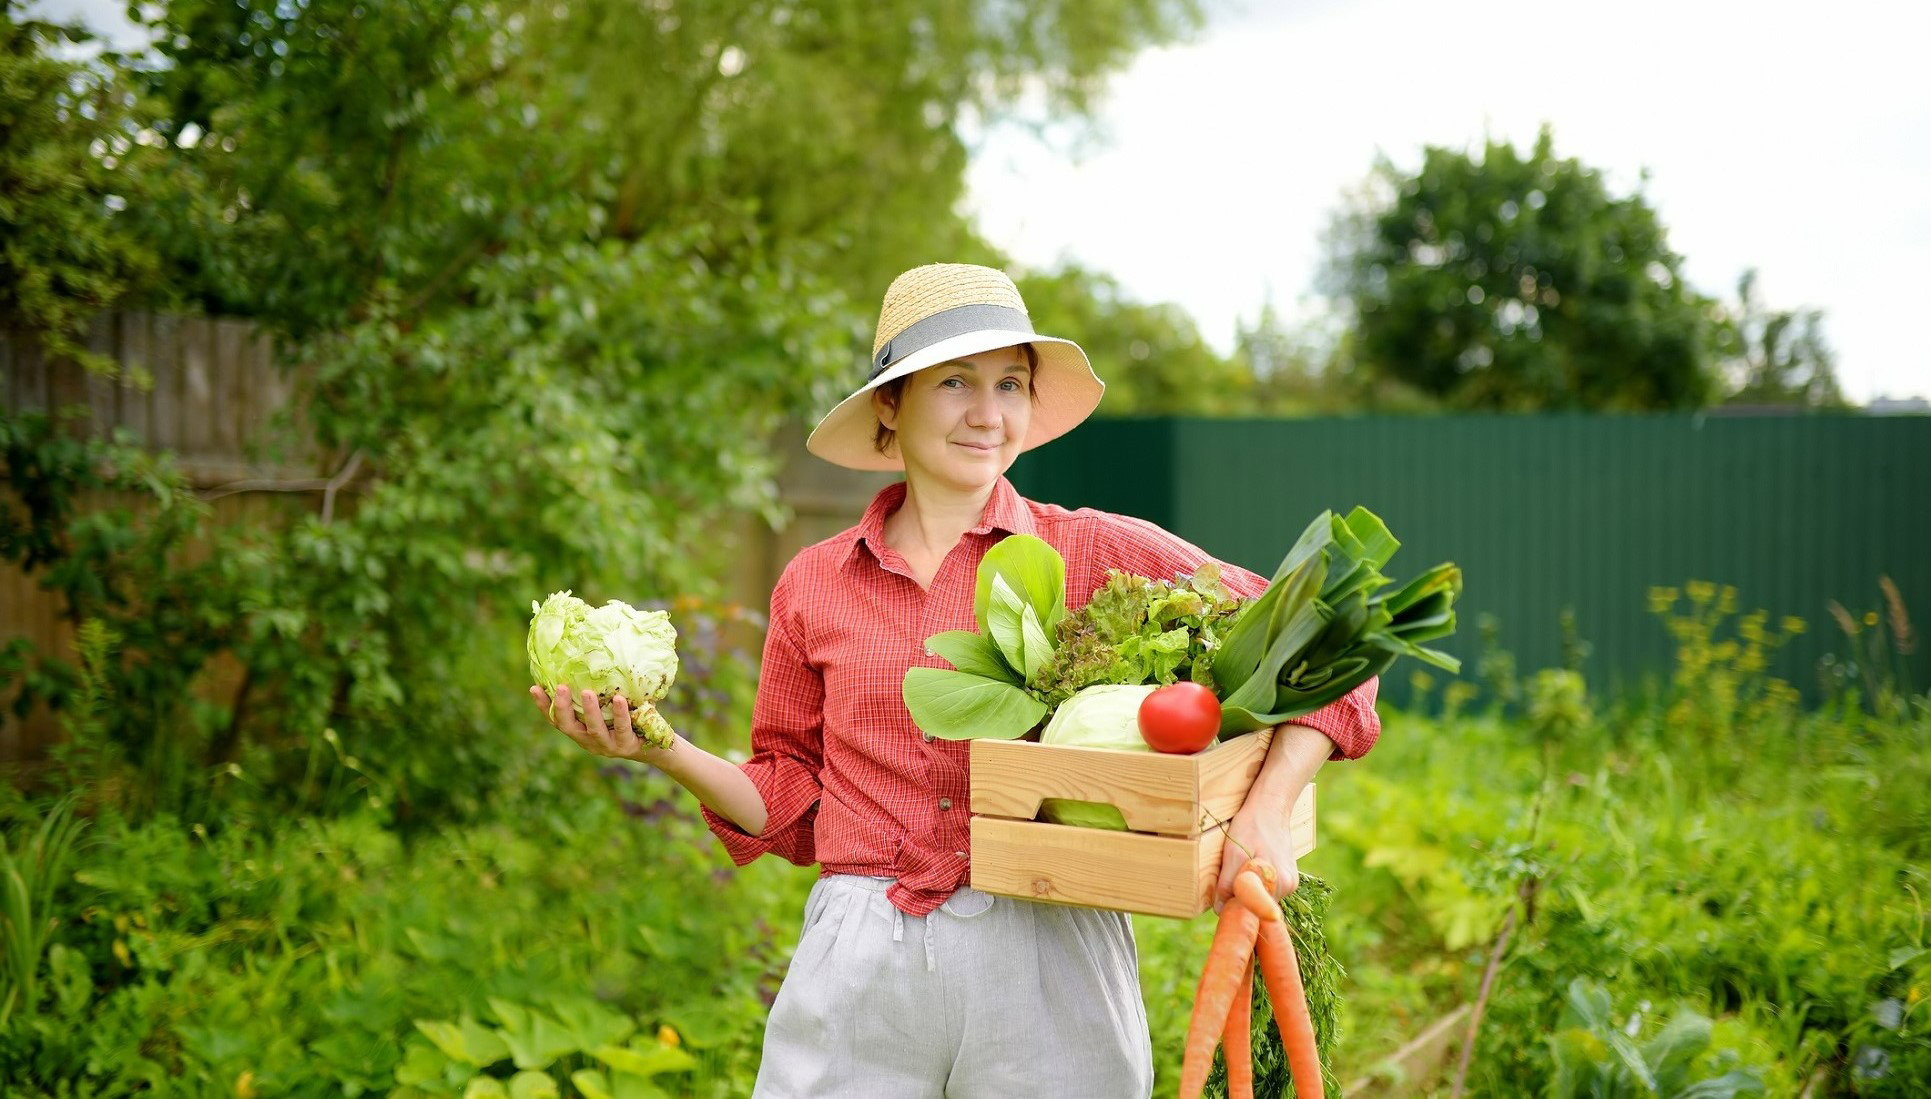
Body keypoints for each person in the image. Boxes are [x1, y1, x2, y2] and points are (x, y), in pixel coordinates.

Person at [529, 262, 1380, 1097]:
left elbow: (1338, 640)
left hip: (1052, 935)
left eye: (1010, 384)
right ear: (890, 406)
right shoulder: (814, 581)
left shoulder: (1091, 550)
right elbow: (791, 802)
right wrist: (661, 747)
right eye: (955, 384)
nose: (987, 413)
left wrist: (1266, 810)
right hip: (859, 949)